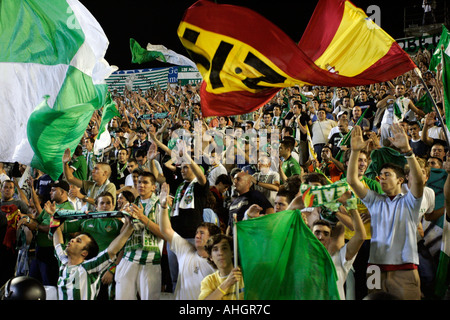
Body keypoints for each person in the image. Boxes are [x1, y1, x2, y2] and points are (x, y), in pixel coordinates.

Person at [347, 124, 424, 300]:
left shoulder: (410, 202)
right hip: (374, 268)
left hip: (404, 268)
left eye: (387, 174)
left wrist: (407, 151)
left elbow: (418, 181)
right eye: (380, 174)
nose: (381, 177)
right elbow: (352, 180)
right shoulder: (374, 200)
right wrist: (355, 152)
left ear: (401, 180)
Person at [46, 201, 134, 300]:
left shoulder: (89, 268)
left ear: (84, 253)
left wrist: (130, 226)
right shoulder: (63, 261)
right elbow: (57, 237)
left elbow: (111, 251)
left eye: (78, 241)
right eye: (75, 238)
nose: (72, 240)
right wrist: (53, 216)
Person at [158, 182, 222, 300]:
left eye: (202, 233)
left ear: (212, 238)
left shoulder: (218, 264)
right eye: (197, 232)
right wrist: (163, 206)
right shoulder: (185, 251)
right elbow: (165, 230)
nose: (197, 236)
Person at [114, 171, 165, 300]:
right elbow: (122, 236)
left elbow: (164, 233)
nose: (141, 185)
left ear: (154, 187)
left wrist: (142, 218)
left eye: (145, 182)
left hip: (150, 259)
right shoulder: (131, 205)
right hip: (129, 257)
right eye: (139, 182)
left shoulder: (161, 204)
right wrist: (128, 221)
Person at [312, 192, 366, 300]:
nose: (321, 236)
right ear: (310, 235)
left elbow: (360, 236)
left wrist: (350, 205)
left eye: (325, 233)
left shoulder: (340, 257)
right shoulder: (303, 257)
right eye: (317, 232)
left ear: (330, 238)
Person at [26, 180, 74, 288]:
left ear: (62, 192)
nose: (50, 192)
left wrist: (36, 227)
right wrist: (27, 221)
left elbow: (54, 228)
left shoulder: (68, 209)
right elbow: (38, 220)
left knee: (49, 286)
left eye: (53, 190)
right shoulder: (50, 205)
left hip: (52, 253)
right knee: (33, 284)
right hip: (39, 251)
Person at [0, 180, 29, 288]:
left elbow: (31, 216)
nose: (7, 189)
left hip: (12, 244)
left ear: (14, 191)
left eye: (10, 187)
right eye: (5, 187)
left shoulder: (19, 204)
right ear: (1, 189)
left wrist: (21, 215)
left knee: (9, 271)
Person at [198, 234, 244, 300]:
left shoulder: (245, 274)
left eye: (224, 248)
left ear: (232, 253)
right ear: (211, 257)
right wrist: (227, 283)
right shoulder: (209, 281)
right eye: (215, 249)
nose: (220, 253)